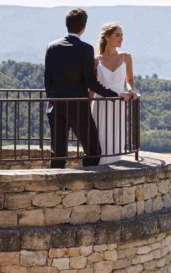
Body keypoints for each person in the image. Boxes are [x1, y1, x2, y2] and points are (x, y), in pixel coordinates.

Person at [44, 9, 132, 168]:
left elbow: (47, 80)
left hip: (55, 106)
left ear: (67, 25)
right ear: (83, 27)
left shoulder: (52, 46)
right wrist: (115, 95)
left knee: (57, 152)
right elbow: (91, 83)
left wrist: (53, 99)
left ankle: (58, 184)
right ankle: (87, 179)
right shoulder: (85, 49)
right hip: (78, 107)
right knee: (93, 150)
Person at [91, 22, 137, 165]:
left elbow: (129, 80)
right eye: (117, 35)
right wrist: (85, 105)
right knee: (100, 137)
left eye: (122, 35)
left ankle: (114, 165)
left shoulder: (126, 57)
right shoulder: (96, 60)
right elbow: (92, 87)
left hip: (118, 102)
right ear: (107, 37)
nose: (121, 38)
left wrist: (130, 90)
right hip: (100, 104)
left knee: (115, 137)